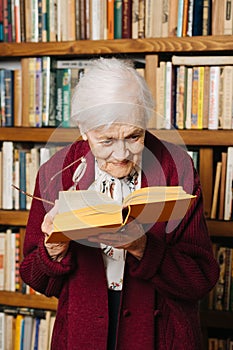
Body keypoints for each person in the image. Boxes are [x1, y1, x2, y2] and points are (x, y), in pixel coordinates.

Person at [20, 57, 219, 350]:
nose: (121, 153)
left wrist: (143, 248)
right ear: (84, 129)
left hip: (159, 335)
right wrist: (53, 249)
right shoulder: (55, 172)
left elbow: (201, 280)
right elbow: (36, 279)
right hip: (81, 333)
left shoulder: (178, 168)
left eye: (133, 136)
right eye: (107, 140)